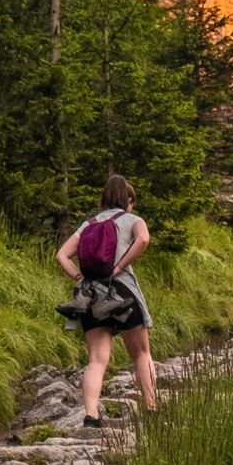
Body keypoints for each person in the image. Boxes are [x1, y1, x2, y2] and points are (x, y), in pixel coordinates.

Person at [56, 172, 158, 427]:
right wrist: (120, 267)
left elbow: (61, 255)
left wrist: (80, 277)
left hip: (90, 295)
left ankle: (91, 414)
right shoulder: (132, 219)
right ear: (128, 200)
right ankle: (152, 408)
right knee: (141, 353)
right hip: (122, 292)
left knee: (97, 358)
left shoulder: (88, 224)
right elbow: (144, 239)